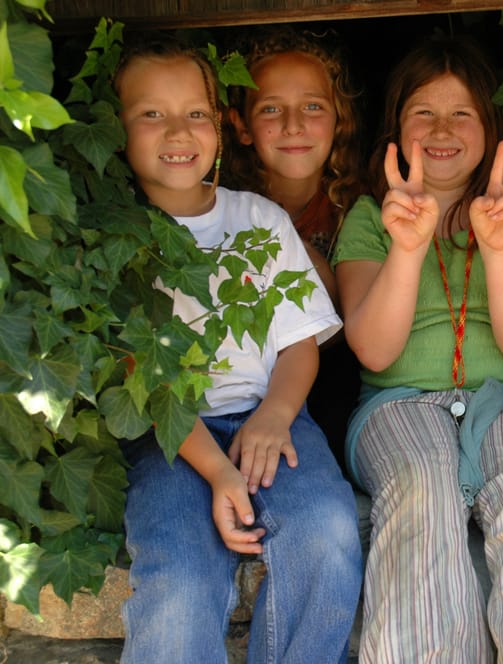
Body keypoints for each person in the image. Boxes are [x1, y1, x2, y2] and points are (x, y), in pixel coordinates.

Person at [333, 35, 503, 662]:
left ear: (491, 129)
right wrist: (407, 247)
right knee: (422, 488)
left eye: (462, 113)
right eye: (423, 113)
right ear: (395, 127)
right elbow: (373, 352)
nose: (442, 129)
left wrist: (500, 248)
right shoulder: (370, 216)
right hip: (397, 405)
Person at [115, 36, 362, 663]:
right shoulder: (115, 238)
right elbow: (142, 381)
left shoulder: (258, 218)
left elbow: (300, 343)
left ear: (222, 127)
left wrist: (276, 414)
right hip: (171, 435)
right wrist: (221, 472)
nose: (178, 131)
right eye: (151, 113)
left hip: (272, 413)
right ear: (117, 128)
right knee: (179, 578)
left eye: (195, 113)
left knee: (329, 533)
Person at [224, 28, 363, 465]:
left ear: (339, 119)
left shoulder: (359, 206)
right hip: (241, 383)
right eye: (270, 108)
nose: (293, 124)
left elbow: (349, 319)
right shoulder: (219, 206)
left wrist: (286, 238)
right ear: (241, 126)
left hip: (334, 377)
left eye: (312, 106)